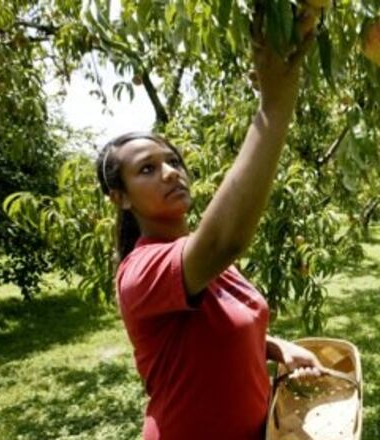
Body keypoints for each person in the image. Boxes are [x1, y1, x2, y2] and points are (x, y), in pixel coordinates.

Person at [95, 31, 321, 439]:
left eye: (173, 161)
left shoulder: (205, 261)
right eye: (147, 169)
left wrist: (274, 346)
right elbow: (226, 238)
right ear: (120, 198)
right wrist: (275, 104)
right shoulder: (141, 271)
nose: (170, 172)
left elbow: (216, 332)